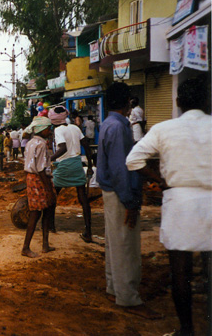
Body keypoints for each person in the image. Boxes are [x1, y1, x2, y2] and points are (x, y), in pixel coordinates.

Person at [126, 78, 211, 335]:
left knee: (180, 270)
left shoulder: (164, 129)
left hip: (179, 202)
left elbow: (133, 160)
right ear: (207, 101)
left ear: (177, 102)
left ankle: (187, 329)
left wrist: (158, 179)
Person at [97, 82, 161, 319]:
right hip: (119, 192)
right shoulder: (119, 127)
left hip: (112, 191)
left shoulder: (109, 124)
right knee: (126, 245)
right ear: (128, 103)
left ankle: (115, 288)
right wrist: (130, 203)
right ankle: (128, 298)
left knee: (115, 243)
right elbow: (120, 170)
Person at [49, 106, 94, 242]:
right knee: (83, 199)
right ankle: (88, 231)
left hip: (63, 165)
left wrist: (49, 158)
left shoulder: (58, 130)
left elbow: (62, 148)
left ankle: (51, 226)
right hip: (76, 164)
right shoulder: (75, 128)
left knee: (52, 196)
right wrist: (90, 165)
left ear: (53, 120)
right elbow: (86, 145)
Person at [21, 116, 56, 258]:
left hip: (32, 178)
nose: (50, 131)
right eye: (48, 129)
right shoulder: (41, 145)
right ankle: (26, 247)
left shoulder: (30, 143)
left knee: (45, 209)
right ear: (42, 130)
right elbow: (41, 168)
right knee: (37, 212)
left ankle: (45, 244)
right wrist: (48, 188)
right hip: (39, 179)